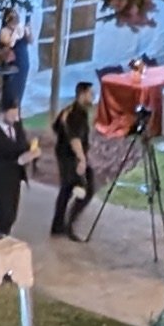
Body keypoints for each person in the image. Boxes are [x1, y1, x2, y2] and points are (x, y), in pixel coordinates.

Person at [47, 92, 94, 238]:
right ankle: (70, 224)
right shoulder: (77, 114)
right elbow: (75, 139)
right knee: (86, 189)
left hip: (64, 155)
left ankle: (58, 225)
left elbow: (55, 128)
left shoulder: (68, 110)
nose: (92, 97)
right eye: (90, 94)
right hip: (72, 157)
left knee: (66, 189)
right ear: (82, 94)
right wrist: (81, 159)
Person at [0, 105, 30, 238]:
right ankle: (0, 239)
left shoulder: (17, 127)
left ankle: (2, 236)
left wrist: (31, 152)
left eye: (17, 114)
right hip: (0, 182)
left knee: (12, 216)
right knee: (5, 215)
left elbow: (23, 145)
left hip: (14, 181)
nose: (16, 118)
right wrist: (20, 160)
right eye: (12, 114)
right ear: (2, 113)